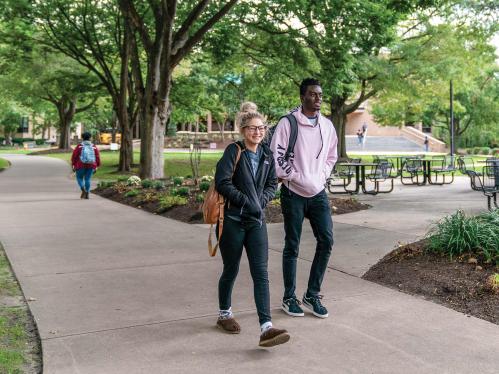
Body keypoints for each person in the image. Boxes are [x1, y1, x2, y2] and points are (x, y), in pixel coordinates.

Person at [214, 109, 290, 348]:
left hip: (256, 223)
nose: (258, 132)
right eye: (252, 128)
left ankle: (266, 327)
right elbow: (222, 182)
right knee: (231, 268)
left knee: (261, 273)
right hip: (233, 222)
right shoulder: (233, 151)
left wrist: (262, 201)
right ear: (243, 130)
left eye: (261, 128)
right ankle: (224, 314)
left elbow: (271, 184)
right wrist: (248, 202)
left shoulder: (267, 154)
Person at [270, 78, 338, 319]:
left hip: (318, 193)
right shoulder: (288, 124)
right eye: (312, 94)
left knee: (327, 241)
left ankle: (312, 294)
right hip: (293, 193)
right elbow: (277, 158)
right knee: (293, 246)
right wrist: (298, 177)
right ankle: (289, 297)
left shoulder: (327, 126)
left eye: (320, 94)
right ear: (302, 97)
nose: (318, 98)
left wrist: (321, 178)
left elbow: (331, 156)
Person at [71, 132, 100, 199]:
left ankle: (83, 189)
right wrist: (97, 165)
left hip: (80, 164)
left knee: (79, 178)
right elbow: (97, 156)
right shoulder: (93, 146)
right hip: (91, 165)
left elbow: (74, 156)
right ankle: (87, 191)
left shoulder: (79, 146)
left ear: (82, 138)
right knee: (88, 179)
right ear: (90, 138)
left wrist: (73, 164)